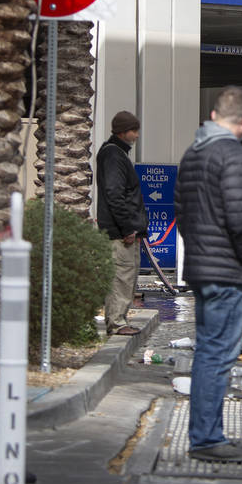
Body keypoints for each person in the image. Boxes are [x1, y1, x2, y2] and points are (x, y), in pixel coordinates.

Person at [174, 86, 242, 463]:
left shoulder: (193, 154)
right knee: (217, 354)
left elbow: (182, 213)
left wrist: (200, 250)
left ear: (213, 115)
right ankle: (207, 440)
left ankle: (204, 436)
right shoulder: (234, 156)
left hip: (201, 267)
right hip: (229, 271)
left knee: (206, 352)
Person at [96, 110, 148, 336]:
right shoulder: (114, 155)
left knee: (126, 276)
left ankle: (119, 320)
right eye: (134, 131)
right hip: (120, 232)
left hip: (122, 229)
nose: (136, 135)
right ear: (123, 132)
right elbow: (115, 194)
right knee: (122, 276)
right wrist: (127, 228)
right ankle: (117, 323)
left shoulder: (114, 153)